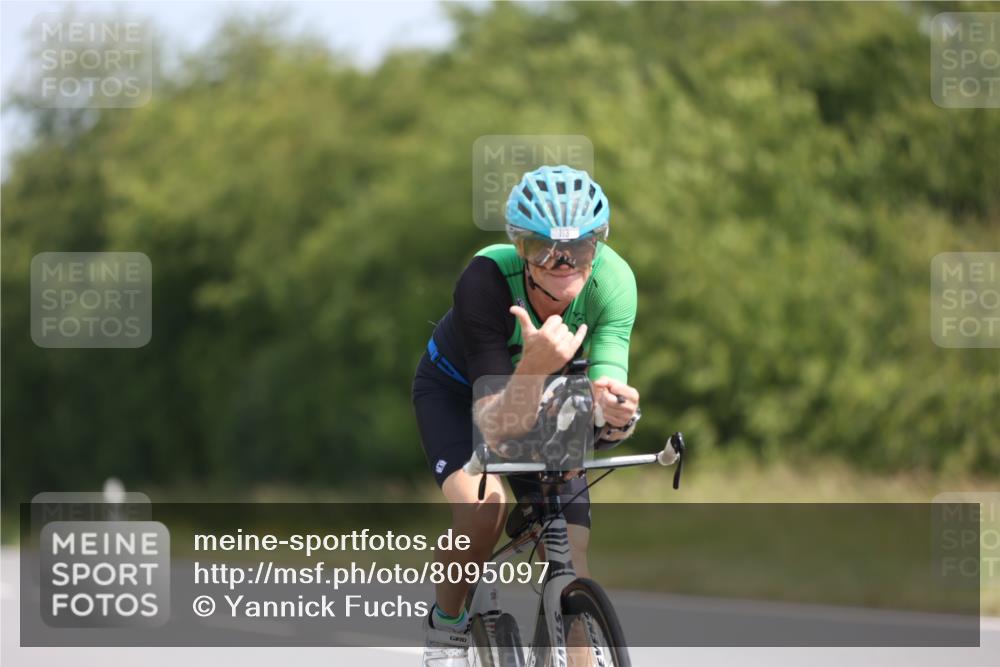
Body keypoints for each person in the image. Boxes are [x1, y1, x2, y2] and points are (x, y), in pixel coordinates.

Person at [412, 165, 640, 666]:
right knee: (483, 511)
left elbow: (605, 388)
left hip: (546, 399)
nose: (564, 262)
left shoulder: (615, 282)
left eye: (580, 248)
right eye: (545, 249)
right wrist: (534, 363)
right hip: (457, 397)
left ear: (598, 246)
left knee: (570, 554)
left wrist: (615, 413)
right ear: (520, 249)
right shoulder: (485, 279)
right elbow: (494, 424)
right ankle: (446, 631)